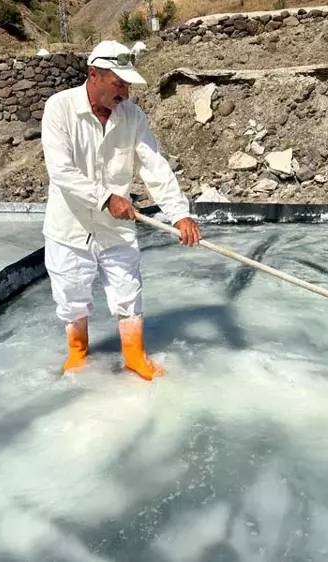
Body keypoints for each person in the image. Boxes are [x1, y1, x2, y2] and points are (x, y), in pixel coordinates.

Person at [41, 40, 201, 381]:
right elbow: (61, 171)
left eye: (128, 84)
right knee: (72, 294)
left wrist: (179, 213)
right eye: (119, 83)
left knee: (129, 291)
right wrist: (106, 198)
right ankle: (77, 353)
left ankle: (134, 356)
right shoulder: (59, 108)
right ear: (94, 74)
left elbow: (154, 165)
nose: (125, 92)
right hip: (70, 226)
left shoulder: (132, 116)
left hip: (116, 229)